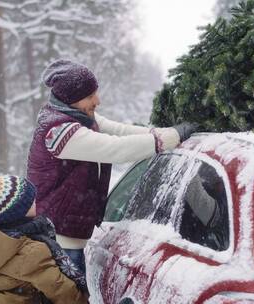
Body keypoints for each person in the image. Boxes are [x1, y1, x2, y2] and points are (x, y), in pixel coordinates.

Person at [26, 59, 198, 272]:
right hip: (59, 243)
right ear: (72, 99)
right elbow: (115, 148)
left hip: (65, 236)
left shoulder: (76, 115)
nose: (97, 100)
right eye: (90, 96)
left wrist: (165, 132)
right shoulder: (59, 132)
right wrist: (166, 139)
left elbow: (118, 130)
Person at [0, 175, 88, 304]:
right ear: (19, 211)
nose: (35, 203)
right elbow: (61, 290)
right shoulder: (31, 252)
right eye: (32, 201)